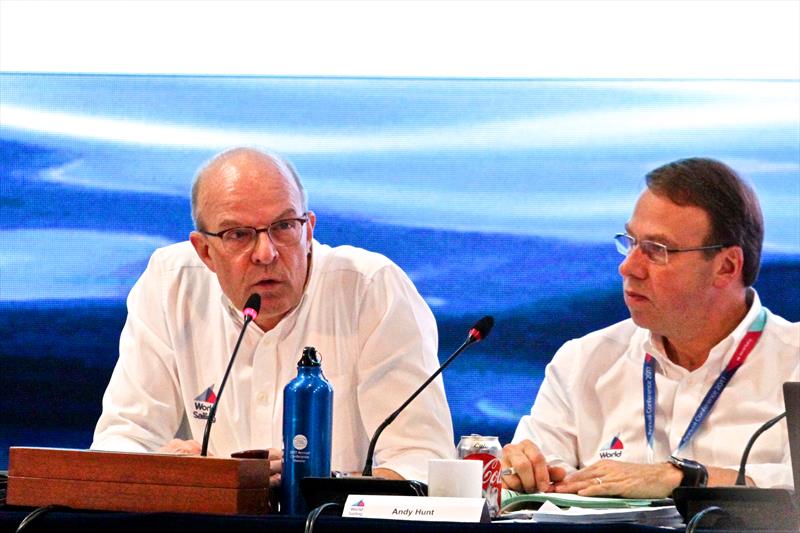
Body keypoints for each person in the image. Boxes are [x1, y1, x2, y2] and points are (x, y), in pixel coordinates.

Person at [91, 147, 455, 485]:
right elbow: (122, 441)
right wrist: (178, 473)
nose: (266, 253)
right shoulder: (170, 285)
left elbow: (420, 459)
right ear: (205, 252)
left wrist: (325, 487)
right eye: (238, 235)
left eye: (283, 227)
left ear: (308, 230)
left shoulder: (371, 288)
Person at [501, 157, 799, 498]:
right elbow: (526, 482)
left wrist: (684, 479)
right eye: (630, 242)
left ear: (727, 266)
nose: (629, 267)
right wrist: (523, 472)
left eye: (657, 250)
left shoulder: (793, 361)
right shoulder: (583, 361)